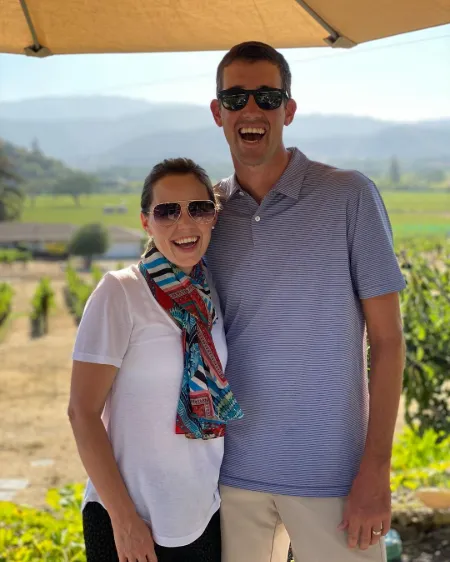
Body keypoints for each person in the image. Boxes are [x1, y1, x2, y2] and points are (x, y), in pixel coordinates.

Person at [207, 41, 406, 562]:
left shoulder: (349, 196)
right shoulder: (205, 215)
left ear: (288, 110)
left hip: (335, 480)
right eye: (236, 98)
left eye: (268, 97)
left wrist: (375, 472)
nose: (251, 109)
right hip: (231, 478)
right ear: (217, 112)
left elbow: (387, 343)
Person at [68, 158, 243, 562]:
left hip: (202, 513)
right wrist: (124, 520)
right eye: (167, 211)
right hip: (133, 520)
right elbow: (82, 412)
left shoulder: (210, 294)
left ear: (213, 217)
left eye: (198, 208)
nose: (185, 223)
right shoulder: (120, 293)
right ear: (146, 222)